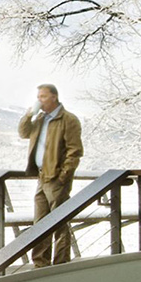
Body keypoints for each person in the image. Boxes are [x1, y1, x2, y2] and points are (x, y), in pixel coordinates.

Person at [18, 84, 83, 267]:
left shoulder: (68, 119)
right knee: (40, 222)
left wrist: (63, 176)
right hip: (41, 176)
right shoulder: (39, 119)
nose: (40, 100)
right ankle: (40, 263)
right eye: (38, 96)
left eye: (43, 97)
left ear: (54, 97)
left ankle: (61, 263)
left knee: (59, 222)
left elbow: (75, 151)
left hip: (56, 178)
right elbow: (23, 133)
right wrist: (29, 114)